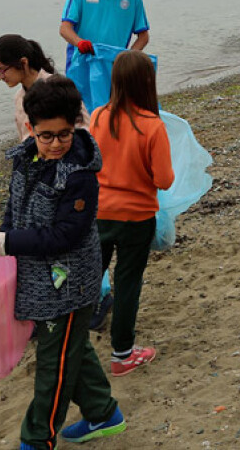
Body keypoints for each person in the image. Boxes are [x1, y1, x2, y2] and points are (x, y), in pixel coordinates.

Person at [0, 76, 126, 449]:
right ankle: (103, 412)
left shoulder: (80, 176)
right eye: (46, 136)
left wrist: (11, 242)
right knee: (70, 347)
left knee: (53, 362)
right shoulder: (26, 159)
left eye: (64, 134)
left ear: (75, 125)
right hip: (36, 275)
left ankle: (37, 437)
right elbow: (14, 211)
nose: (57, 144)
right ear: (30, 129)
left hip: (69, 283)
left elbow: (68, 234)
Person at [87, 51, 174, 377]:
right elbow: (164, 179)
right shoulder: (153, 126)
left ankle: (72, 338)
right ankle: (122, 354)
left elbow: (92, 165)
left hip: (100, 212)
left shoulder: (97, 117)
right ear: (147, 83)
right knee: (127, 283)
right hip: (136, 216)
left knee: (90, 277)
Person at [0, 34, 91, 143]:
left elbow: (83, 128)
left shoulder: (57, 88)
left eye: (1, 70)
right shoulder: (19, 98)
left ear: (23, 63)